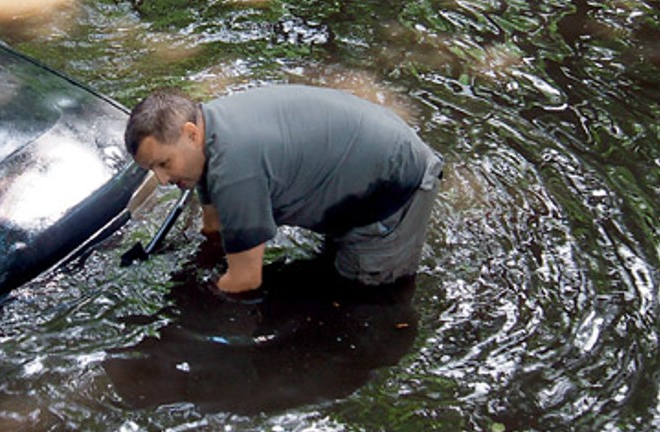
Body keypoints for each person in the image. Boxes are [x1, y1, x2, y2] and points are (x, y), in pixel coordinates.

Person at [125, 84, 442, 294]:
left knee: (363, 302)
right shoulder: (208, 131)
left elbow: (246, 281)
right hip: (362, 165)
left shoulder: (235, 171)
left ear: (191, 134)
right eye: (152, 169)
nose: (162, 179)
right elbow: (214, 225)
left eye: (164, 163)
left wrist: (192, 299)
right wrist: (203, 258)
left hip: (393, 188)